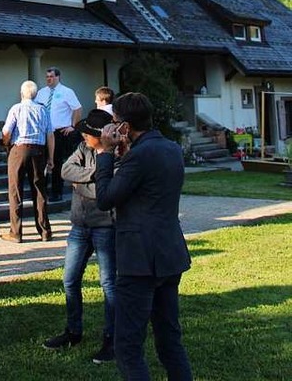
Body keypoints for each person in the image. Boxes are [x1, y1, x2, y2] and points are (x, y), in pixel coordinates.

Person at [96, 92, 193, 381]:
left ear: (124, 127)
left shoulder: (139, 156)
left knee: (127, 346)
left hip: (139, 259)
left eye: (115, 123)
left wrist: (103, 154)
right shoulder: (171, 148)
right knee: (169, 340)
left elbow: (105, 198)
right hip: (169, 251)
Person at [43, 108, 116, 364]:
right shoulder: (83, 149)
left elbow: (108, 192)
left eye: (87, 133)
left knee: (109, 285)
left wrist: (85, 184)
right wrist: (94, 176)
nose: (83, 136)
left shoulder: (116, 154)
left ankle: (112, 339)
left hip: (105, 225)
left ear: (100, 135)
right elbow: (65, 171)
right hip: (79, 225)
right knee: (70, 279)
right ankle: (73, 331)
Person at [1, 80, 54, 243]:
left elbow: (6, 130)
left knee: (15, 190)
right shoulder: (43, 110)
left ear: (21, 93)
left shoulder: (16, 108)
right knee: (39, 190)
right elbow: (50, 134)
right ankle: (44, 231)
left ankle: (16, 232)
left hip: (19, 149)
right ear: (36, 94)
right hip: (38, 150)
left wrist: (6, 143)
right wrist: (51, 158)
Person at [35, 68, 83, 202]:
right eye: (47, 77)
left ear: (58, 77)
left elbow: (77, 109)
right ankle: (41, 191)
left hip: (59, 132)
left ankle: (57, 192)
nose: (49, 79)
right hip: (44, 132)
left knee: (56, 162)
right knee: (41, 162)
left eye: (51, 76)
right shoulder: (41, 93)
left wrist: (73, 126)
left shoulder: (66, 92)